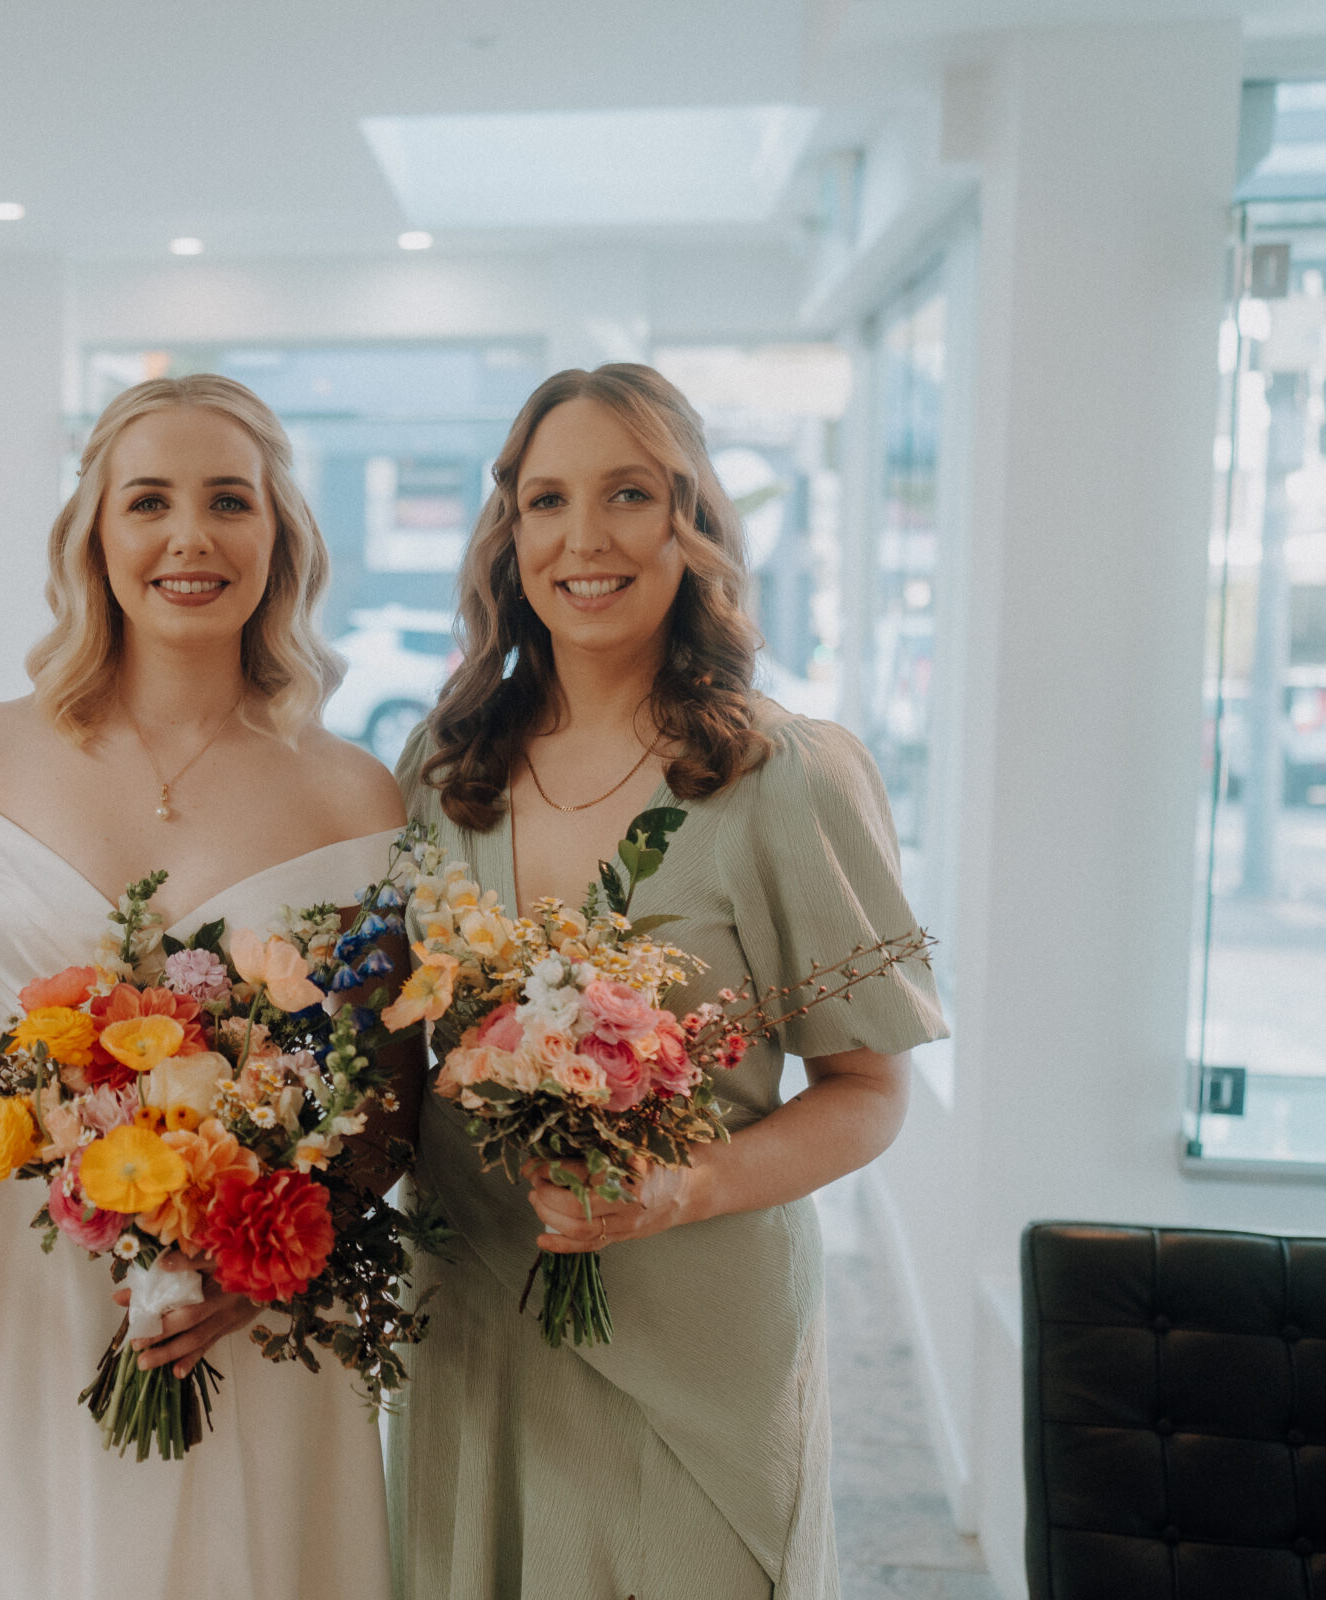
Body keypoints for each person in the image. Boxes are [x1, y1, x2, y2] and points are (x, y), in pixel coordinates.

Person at [387, 364, 947, 1600]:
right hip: (476, 1303)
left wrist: (685, 1187)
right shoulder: (440, 765)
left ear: (690, 524)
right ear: (509, 534)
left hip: (698, 1328)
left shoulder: (787, 777)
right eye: (547, 501)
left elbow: (869, 1086)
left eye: (629, 494)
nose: (585, 538)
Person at [0, 374, 409, 1600]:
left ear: (280, 539)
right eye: (149, 501)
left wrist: (251, 1261)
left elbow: (385, 1100)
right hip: (7, 1283)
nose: (190, 538)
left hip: (248, 1307)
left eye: (231, 502)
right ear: (95, 534)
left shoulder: (355, 795)